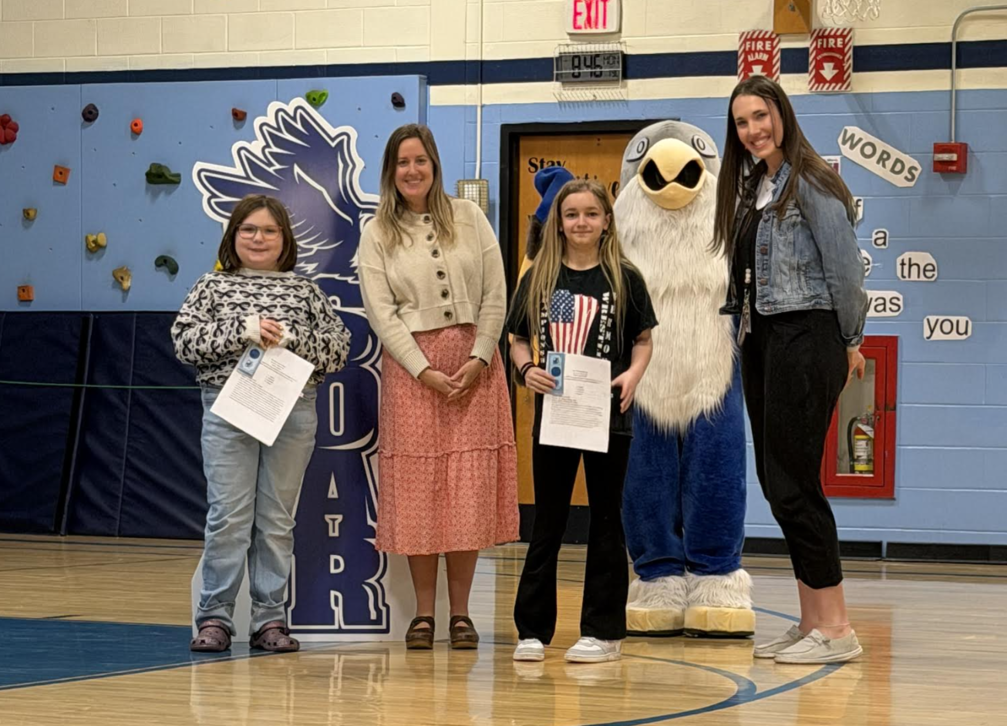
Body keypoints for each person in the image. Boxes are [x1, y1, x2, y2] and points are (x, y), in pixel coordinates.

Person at [714, 76, 869, 664]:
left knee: (796, 484)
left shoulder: (811, 180)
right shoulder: (757, 184)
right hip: (765, 338)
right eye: (741, 122)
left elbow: (845, 273)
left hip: (807, 337)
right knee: (779, 483)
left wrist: (850, 340)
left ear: (782, 114)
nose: (752, 130)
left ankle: (837, 630)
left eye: (761, 116)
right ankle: (811, 622)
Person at [357, 123, 518, 651]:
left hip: (476, 368)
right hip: (413, 374)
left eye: (420, 160)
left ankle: (462, 615)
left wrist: (480, 355)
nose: (411, 170)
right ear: (390, 170)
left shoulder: (470, 218)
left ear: (434, 164)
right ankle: (424, 614)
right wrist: (421, 367)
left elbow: (496, 291)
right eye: (402, 162)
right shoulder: (377, 231)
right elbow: (381, 313)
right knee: (422, 491)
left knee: (467, 491)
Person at [172, 194, 351, 653]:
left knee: (275, 521)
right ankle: (214, 618)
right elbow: (184, 342)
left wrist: (293, 338)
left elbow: (339, 348)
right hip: (228, 409)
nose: (258, 238)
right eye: (249, 229)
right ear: (233, 236)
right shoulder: (210, 287)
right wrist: (243, 331)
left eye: (269, 230)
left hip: (292, 409)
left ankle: (269, 620)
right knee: (229, 517)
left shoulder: (304, 291)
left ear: (284, 239)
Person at [507, 179, 657, 664]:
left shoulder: (625, 277)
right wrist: (527, 369)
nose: (581, 223)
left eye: (591, 213)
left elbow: (642, 340)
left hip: (608, 417)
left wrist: (633, 375)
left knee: (606, 521)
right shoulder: (540, 276)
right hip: (555, 416)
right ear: (559, 222)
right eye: (571, 214)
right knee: (547, 521)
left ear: (606, 220)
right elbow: (517, 339)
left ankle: (603, 631)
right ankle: (532, 631)